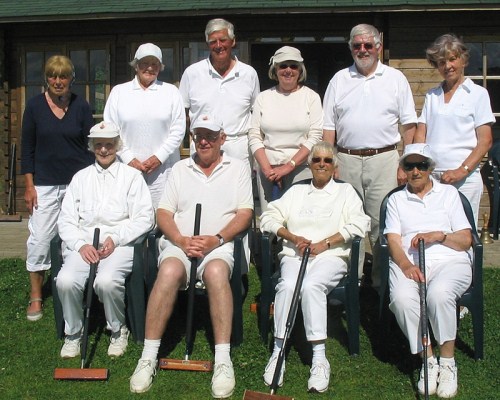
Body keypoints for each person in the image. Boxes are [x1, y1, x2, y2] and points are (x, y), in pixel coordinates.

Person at [129, 114, 253, 398]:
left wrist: (216, 239)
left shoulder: (238, 169)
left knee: (216, 272)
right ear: (193, 138)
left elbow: (245, 213)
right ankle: (148, 356)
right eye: (199, 136)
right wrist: (180, 240)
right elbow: (163, 213)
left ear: (222, 138)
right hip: (181, 243)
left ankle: (222, 359)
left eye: (210, 135)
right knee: (170, 271)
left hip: (219, 244)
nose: (204, 141)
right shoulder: (180, 169)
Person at [259, 141, 370, 393]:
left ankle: (319, 357)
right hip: (296, 254)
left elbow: (360, 224)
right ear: (309, 165)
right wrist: (292, 236)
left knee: (311, 286)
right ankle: (278, 351)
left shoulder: (345, 193)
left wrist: (327, 242)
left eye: (327, 161)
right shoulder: (297, 192)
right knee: (286, 284)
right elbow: (268, 217)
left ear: (334, 166)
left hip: (330, 257)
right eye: (317, 160)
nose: (321, 164)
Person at [322, 23, 417, 287]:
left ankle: (381, 287)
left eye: (367, 45)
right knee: (348, 224)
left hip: (385, 160)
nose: (362, 50)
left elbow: (409, 125)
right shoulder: (339, 80)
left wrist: (405, 164)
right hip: (346, 159)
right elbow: (328, 128)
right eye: (357, 45)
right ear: (350, 48)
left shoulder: (395, 79)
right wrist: (331, 163)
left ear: (378, 47)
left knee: (381, 226)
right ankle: (351, 281)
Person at [56, 121, 154, 359]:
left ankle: (118, 329)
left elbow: (145, 218)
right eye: (98, 145)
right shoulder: (80, 178)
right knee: (65, 280)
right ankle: (73, 334)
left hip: (118, 245)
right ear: (92, 147)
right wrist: (81, 245)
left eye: (108, 145)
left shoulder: (132, 177)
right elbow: (66, 220)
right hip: (85, 246)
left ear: (117, 146)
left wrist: (116, 239)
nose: (103, 150)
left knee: (106, 281)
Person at [384, 143, 472, 398]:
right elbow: (392, 241)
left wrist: (439, 236)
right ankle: (428, 359)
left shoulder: (448, 195)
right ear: (403, 170)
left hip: (449, 260)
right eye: (409, 165)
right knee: (401, 299)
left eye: (421, 165)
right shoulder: (397, 199)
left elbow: (465, 240)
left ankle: (447, 362)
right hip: (410, 262)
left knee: (439, 294)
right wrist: (406, 265)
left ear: (430, 168)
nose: (415, 171)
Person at [21, 55, 94, 322]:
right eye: (53, 76)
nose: (58, 81)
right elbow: (27, 149)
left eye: (63, 76)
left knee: (77, 236)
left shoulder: (82, 106)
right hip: (45, 184)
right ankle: (37, 295)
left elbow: (92, 146)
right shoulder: (34, 107)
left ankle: (78, 285)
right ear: (46, 78)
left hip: (78, 183)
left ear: (71, 79)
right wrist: (29, 186)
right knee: (40, 239)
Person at [415, 34, 495, 228]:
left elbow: (485, 141)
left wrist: (462, 170)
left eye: (452, 59)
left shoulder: (477, 94)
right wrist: (417, 167)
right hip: (432, 178)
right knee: (432, 229)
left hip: (465, 180)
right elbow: (420, 135)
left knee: (463, 233)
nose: (448, 66)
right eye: (441, 62)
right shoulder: (432, 95)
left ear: (463, 60)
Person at [104, 42, 185, 207]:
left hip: (164, 171)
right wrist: (129, 159)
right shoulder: (119, 92)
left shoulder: (171, 92)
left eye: (154, 64)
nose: (149, 68)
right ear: (136, 65)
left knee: (163, 217)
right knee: (128, 214)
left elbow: (178, 131)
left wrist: (158, 158)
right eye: (145, 63)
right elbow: (111, 130)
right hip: (126, 168)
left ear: (160, 67)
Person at [179, 18, 260, 169]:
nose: (218, 46)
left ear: (233, 41)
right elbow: (181, 114)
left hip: (238, 148)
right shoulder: (192, 73)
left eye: (223, 40)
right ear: (207, 44)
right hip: (203, 146)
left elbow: (257, 114)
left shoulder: (249, 74)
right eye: (212, 41)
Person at [249, 46, 323, 211]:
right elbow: (254, 136)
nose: (288, 70)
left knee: (300, 220)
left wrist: (288, 167)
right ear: (275, 69)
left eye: (293, 65)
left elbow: (315, 136)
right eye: (283, 66)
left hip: (301, 169)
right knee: (271, 222)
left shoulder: (311, 97)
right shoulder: (263, 97)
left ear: (300, 70)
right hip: (268, 170)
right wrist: (268, 169)